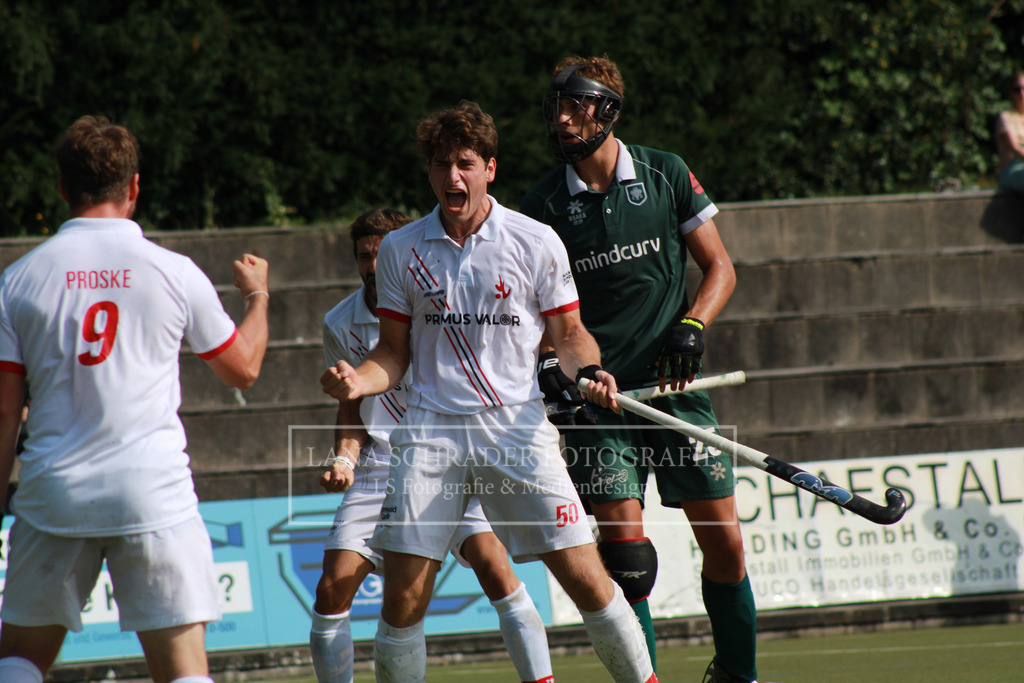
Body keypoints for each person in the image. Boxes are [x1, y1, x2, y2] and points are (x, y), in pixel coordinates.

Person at [320, 101, 656, 683]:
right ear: (429, 172)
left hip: (515, 429)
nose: (453, 176)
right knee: (403, 598)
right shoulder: (401, 249)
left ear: (490, 169)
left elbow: (570, 334)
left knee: (587, 578)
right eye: (441, 164)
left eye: (466, 164)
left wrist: (589, 370)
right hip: (431, 434)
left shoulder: (536, 240)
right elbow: (393, 354)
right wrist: (358, 379)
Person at [0, 115, 270, 683]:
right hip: (152, 493)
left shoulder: (19, 279)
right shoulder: (173, 271)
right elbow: (242, 369)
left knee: (19, 661)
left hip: (54, 493)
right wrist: (257, 298)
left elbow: (5, 410)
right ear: (135, 186)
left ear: (63, 188)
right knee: (183, 671)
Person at [521, 57, 757, 683]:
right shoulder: (542, 206)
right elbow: (540, 314)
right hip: (598, 404)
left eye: (575, 107)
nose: (562, 120)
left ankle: (737, 675)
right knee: (629, 563)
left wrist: (693, 325)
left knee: (727, 546)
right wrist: (559, 366)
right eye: (556, 108)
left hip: (675, 392)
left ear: (607, 110)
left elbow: (720, 267)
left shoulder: (665, 172)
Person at [311, 208, 554, 683]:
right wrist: (344, 459)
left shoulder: (439, 301)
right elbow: (351, 409)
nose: (373, 266)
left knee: (495, 569)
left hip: (446, 453)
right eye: (363, 256)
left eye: (381, 254)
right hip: (382, 465)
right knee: (331, 590)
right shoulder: (340, 322)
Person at [995, 71, 1024, 195]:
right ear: (1012, 93)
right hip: (1011, 170)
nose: (1021, 93)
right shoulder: (1005, 117)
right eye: (1017, 89)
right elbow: (1014, 148)